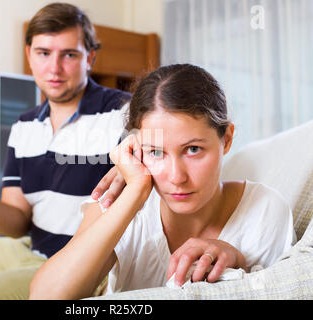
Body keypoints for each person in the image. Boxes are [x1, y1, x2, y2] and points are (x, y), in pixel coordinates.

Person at [0, 2, 131, 300]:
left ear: (89, 58)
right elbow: (17, 223)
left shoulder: (124, 112)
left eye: (69, 55)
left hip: (82, 265)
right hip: (32, 249)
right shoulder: (23, 125)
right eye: (43, 53)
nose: (54, 68)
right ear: (29, 54)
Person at [29, 63, 296, 300]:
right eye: (156, 152)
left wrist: (239, 261)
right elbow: (45, 297)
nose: (176, 177)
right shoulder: (120, 198)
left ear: (226, 139)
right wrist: (135, 193)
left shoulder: (265, 211)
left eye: (193, 149)